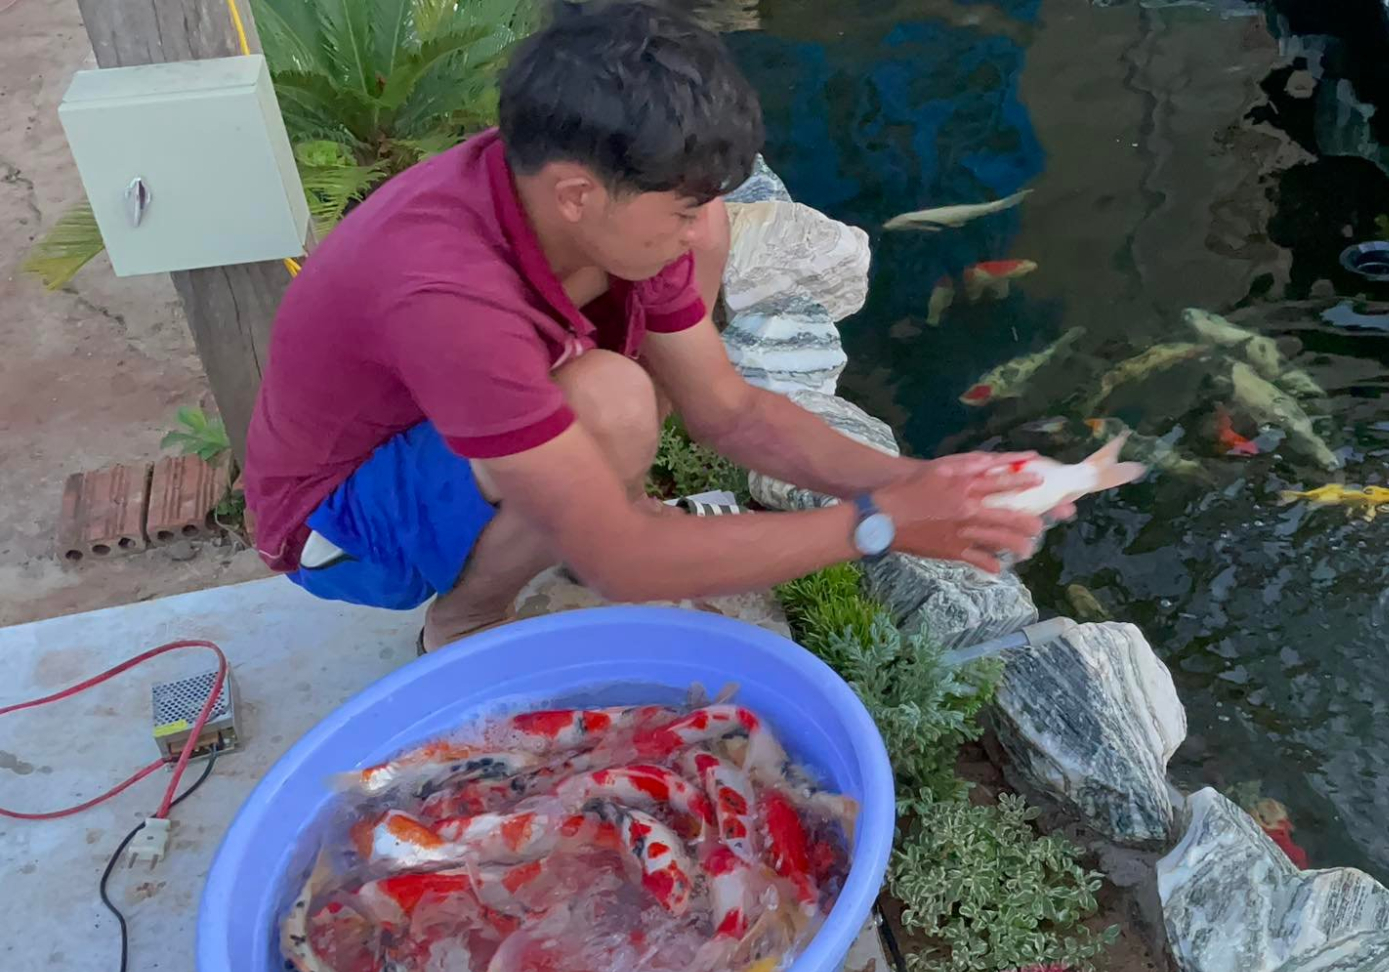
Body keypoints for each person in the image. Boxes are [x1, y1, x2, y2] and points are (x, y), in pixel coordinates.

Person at [241, 0, 1056, 652]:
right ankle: (462, 623)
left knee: (655, 330)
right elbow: (624, 562)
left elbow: (729, 412)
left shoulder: (609, 211)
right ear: (576, 194)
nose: (695, 222)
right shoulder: (447, 291)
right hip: (340, 529)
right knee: (608, 401)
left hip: (451, 441)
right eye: (683, 202)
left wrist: (914, 482)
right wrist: (875, 526)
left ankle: (584, 507)